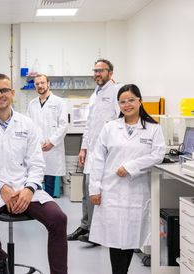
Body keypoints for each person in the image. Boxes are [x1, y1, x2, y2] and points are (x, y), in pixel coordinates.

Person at [0, 73, 68, 274]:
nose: (1, 95)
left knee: (59, 218)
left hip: (24, 187)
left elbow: (37, 163)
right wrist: (1, 187)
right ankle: (0, 260)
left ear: (12, 93)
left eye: (5, 90)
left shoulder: (26, 124)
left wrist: (29, 189)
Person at [88, 84, 165, 274]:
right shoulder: (110, 128)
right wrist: (95, 189)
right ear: (118, 105)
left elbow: (158, 154)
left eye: (131, 100)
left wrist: (131, 167)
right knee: (115, 237)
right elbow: (97, 158)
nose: (127, 104)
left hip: (136, 191)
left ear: (140, 101)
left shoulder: (153, 129)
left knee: (130, 237)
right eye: (122, 101)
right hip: (111, 190)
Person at [67, 59, 122, 245]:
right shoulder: (94, 94)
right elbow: (89, 125)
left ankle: (95, 231)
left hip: (106, 152)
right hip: (91, 151)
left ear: (110, 73)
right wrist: (83, 148)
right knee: (86, 189)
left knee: (96, 190)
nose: (97, 74)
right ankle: (85, 225)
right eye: (95, 71)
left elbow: (120, 122)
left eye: (101, 71)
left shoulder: (117, 92)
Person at [27, 74, 68, 197]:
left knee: (50, 181)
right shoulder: (32, 104)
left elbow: (64, 125)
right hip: (37, 147)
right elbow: (29, 126)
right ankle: (38, 207)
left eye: (42, 83)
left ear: (48, 84)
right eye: (37, 84)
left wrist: (51, 142)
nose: (40, 85)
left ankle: (49, 208)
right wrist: (36, 143)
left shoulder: (59, 102)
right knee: (36, 179)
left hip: (52, 148)